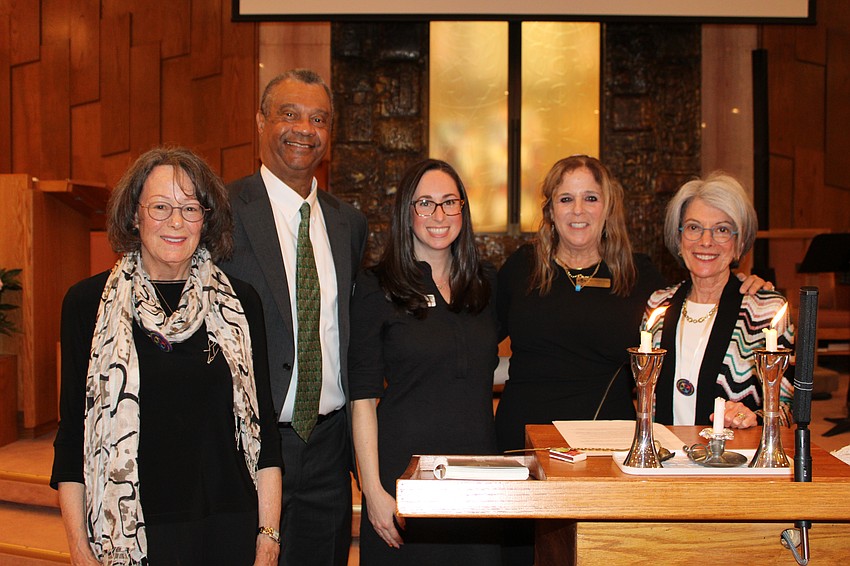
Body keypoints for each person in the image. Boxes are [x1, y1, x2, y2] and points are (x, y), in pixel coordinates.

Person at [494, 155, 768, 565]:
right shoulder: (521, 267)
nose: (578, 210)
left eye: (591, 198)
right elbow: (474, 338)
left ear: (608, 207)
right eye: (566, 199)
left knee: (601, 551)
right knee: (519, 554)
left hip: (607, 444)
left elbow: (696, 302)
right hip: (523, 439)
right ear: (550, 209)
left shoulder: (641, 276)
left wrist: (741, 283)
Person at [51, 147, 283, 565]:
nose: (176, 222)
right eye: (160, 207)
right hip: (134, 530)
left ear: (206, 220)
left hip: (229, 525)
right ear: (134, 216)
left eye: (190, 208)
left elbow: (264, 430)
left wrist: (268, 537)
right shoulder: (87, 304)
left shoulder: (241, 303)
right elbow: (72, 438)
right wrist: (79, 548)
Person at [218, 69, 368, 566]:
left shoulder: (349, 223)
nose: (305, 129)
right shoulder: (221, 212)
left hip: (328, 447)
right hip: (247, 446)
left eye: (318, 119)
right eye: (289, 114)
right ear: (260, 122)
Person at [349, 158, 502, 564]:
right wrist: (372, 491)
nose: (439, 215)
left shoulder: (485, 283)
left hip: (478, 478)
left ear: (463, 209)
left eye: (450, 202)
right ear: (407, 211)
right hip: (403, 477)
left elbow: (483, 364)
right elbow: (362, 399)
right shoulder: (377, 286)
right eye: (425, 203)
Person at [646, 172, 793, 429]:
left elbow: (789, 412)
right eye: (694, 227)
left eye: (722, 230)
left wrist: (753, 418)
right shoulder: (658, 306)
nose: (706, 241)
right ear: (679, 238)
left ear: (739, 243)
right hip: (663, 451)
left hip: (732, 453)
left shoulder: (765, 311)